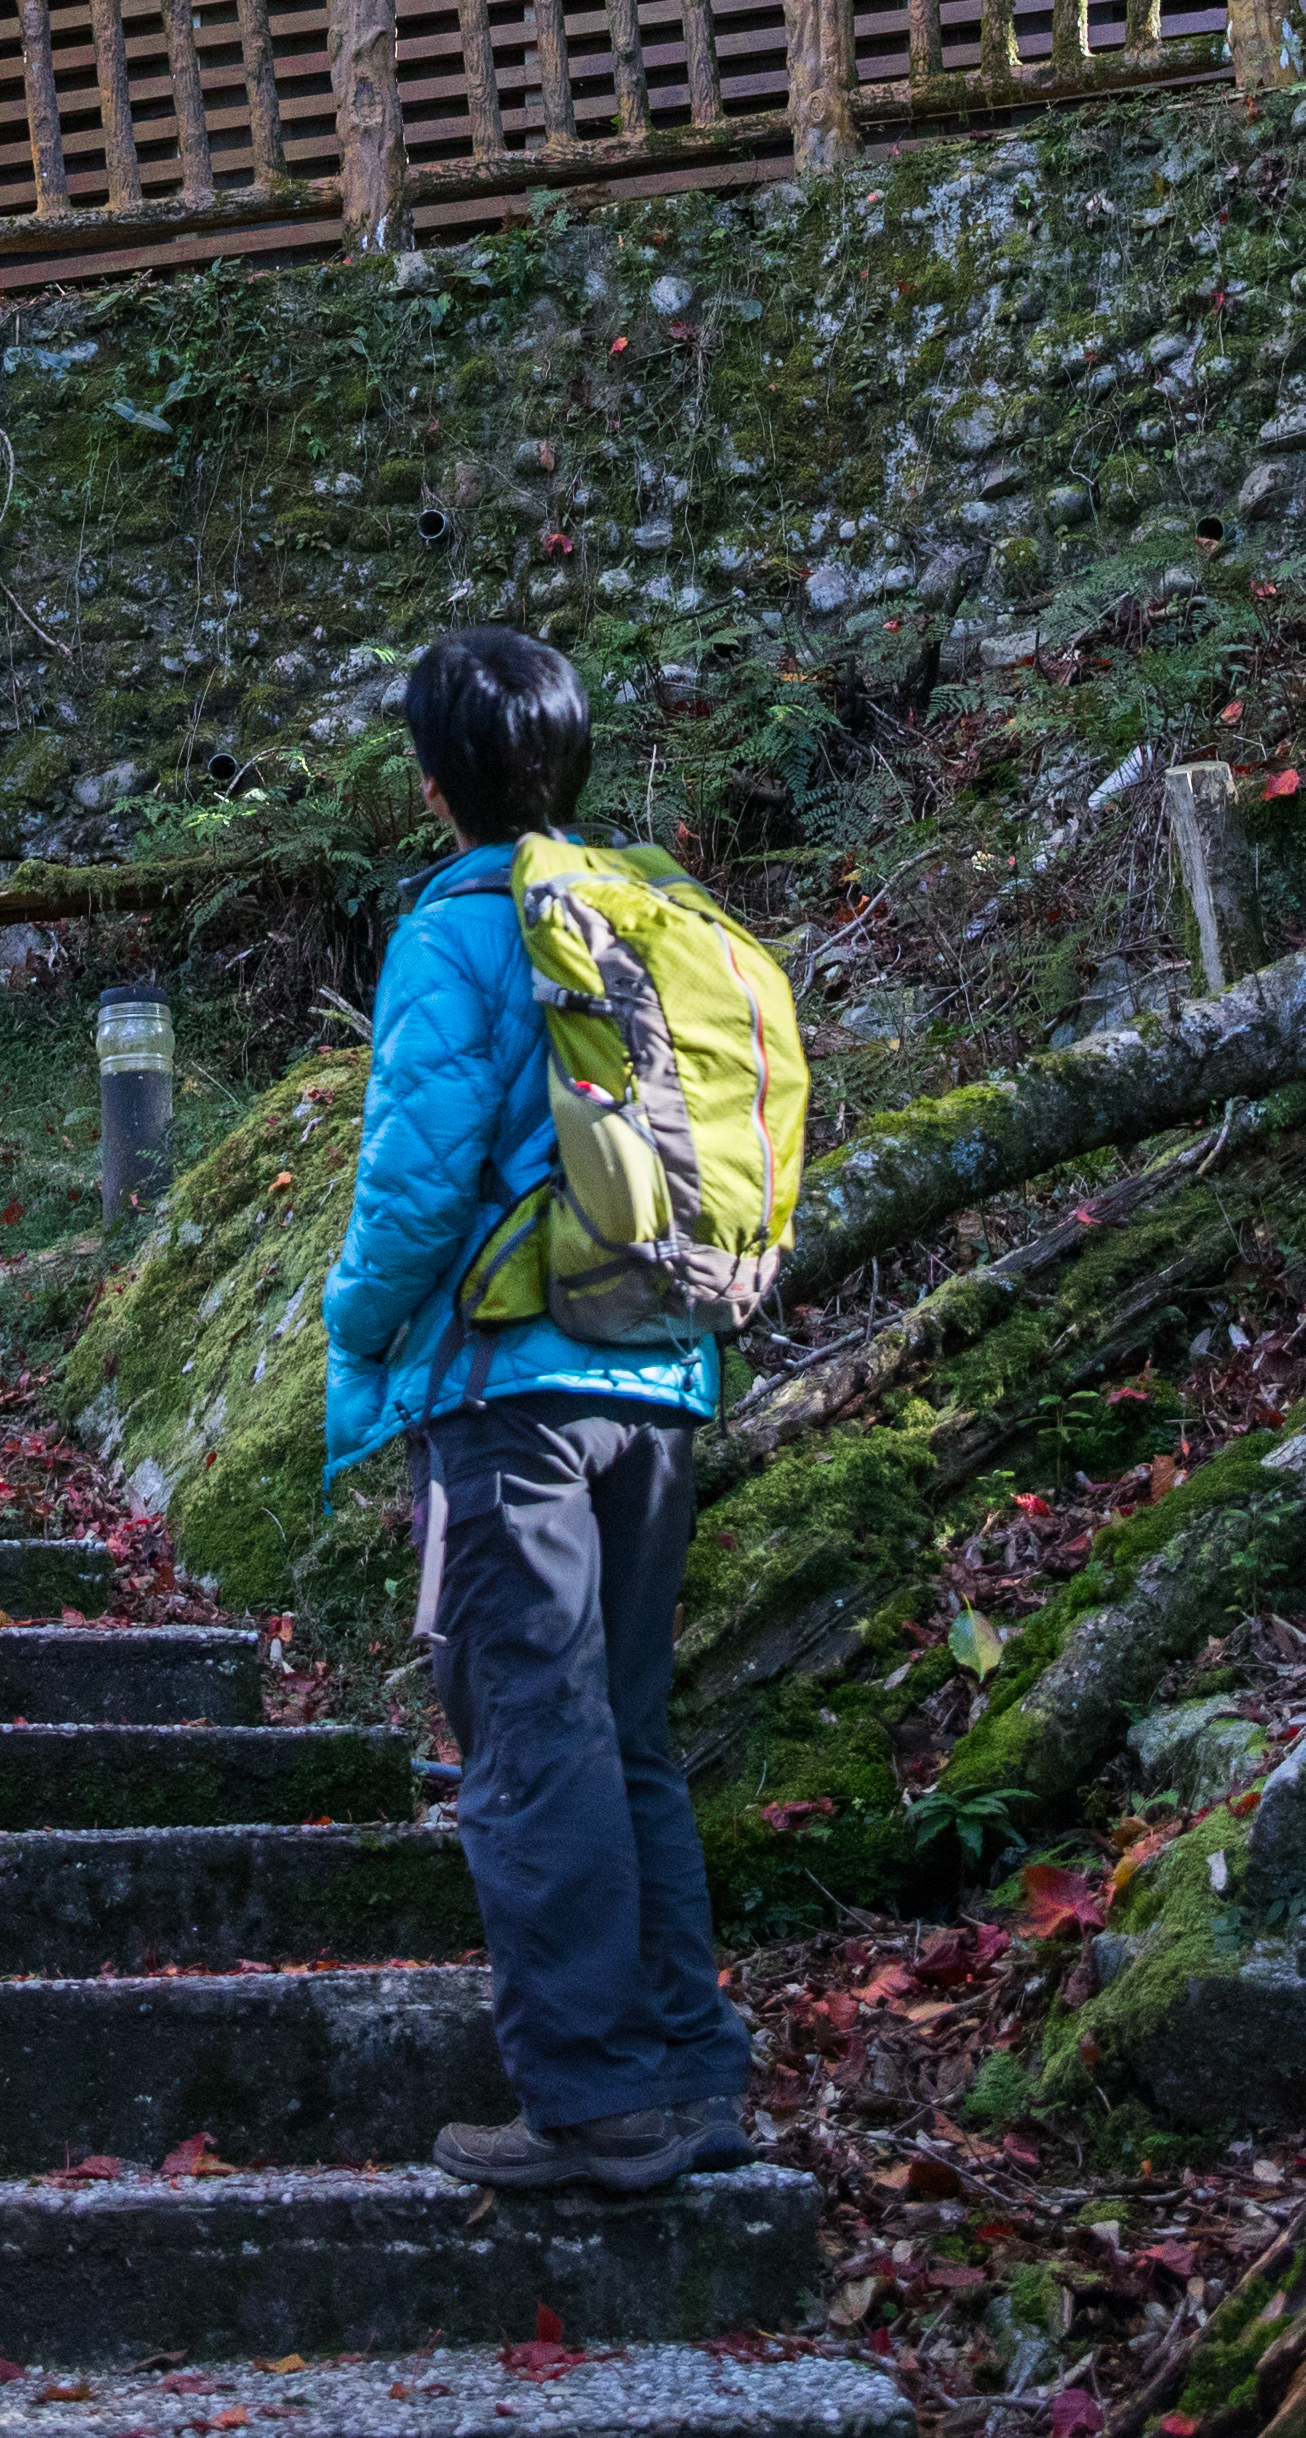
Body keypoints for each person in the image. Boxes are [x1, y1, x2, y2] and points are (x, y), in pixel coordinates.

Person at [318, 621, 760, 2193]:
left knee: (529, 1737)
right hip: (661, 1382)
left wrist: (354, 1333)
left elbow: (419, 1182)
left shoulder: (460, 926)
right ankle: (693, 2076)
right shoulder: (638, 907)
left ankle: (591, 2102)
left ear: (434, 782)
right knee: (624, 1734)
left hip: (514, 1399)